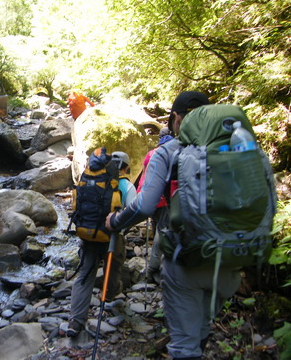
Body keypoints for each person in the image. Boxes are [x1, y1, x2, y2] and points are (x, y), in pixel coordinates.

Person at [105, 91, 241, 360]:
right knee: (202, 325)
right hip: (231, 257)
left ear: (175, 118)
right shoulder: (235, 148)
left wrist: (116, 222)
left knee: (183, 345)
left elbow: (144, 206)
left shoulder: (167, 151)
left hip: (187, 259)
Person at [67, 151, 137, 337]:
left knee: (85, 273)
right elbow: (134, 214)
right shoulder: (126, 186)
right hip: (111, 236)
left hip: (88, 234)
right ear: (125, 167)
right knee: (113, 266)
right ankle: (109, 296)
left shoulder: (90, 179)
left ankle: (75, 320)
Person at [136, 127, 173, 284]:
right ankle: (153, 268)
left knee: (157, 224)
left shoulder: (151, 153)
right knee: (162, 232)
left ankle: (154, 261)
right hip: (162, 198)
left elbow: (144, 173)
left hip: (146, 196)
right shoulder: (169, 152)